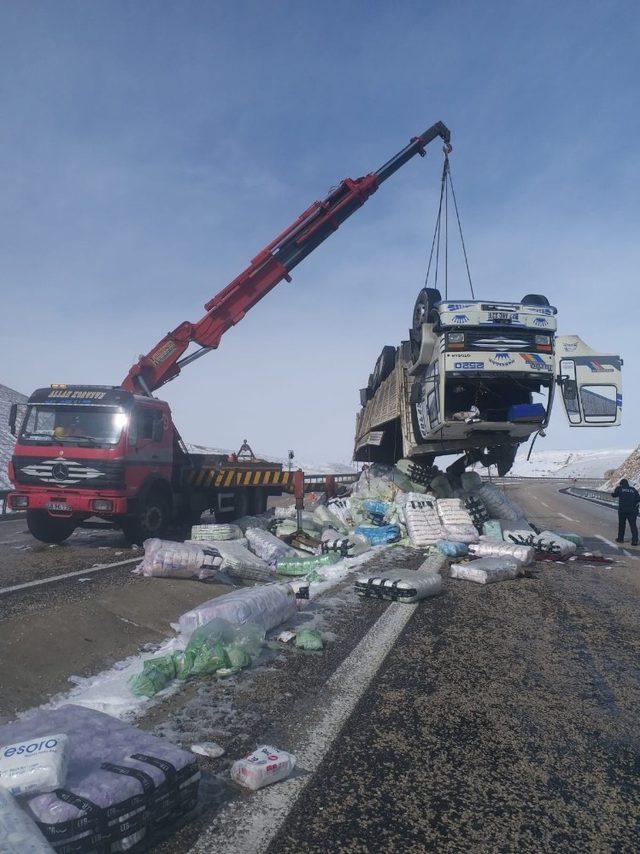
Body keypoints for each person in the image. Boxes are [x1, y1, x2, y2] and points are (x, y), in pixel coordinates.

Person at [612, 478, 640, 546]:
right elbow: (638, 499)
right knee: (633, 525)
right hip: (632, 511)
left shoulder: (620, 488)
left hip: (622, 510)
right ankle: (635, 541)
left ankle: (620, 539)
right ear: (627, 483)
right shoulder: (633, 489)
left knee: (622, 525)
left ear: (621, 484)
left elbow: (614, 495)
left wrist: (613, 492)